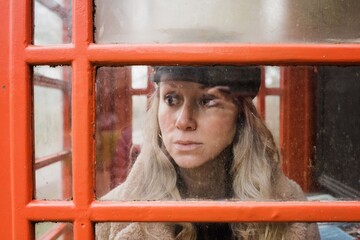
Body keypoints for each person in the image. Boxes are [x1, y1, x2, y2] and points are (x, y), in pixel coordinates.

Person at [96, 66, 320, 240]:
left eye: (207, 100)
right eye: (171, 99)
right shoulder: (108, 214)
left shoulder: (291, 209)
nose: (184, 121)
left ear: (240, 115)